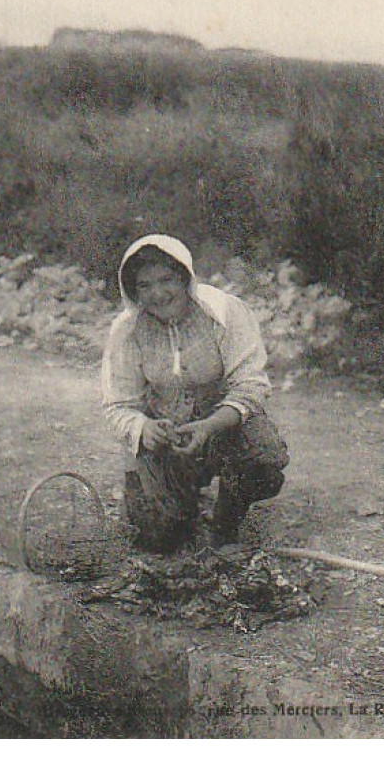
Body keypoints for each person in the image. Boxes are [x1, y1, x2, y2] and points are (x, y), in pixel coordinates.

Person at [102, 234, 288, 552]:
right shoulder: (127, 331)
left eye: (167, 279)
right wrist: (144, 428)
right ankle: (176, 501)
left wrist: (210, 426)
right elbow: (118, 404)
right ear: (133, 291)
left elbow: (251, 385)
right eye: (145, 286)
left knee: (263, 463)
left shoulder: (224, 312)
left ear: (186, 277)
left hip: (223, 427)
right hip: (167, 437)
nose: (158, 294)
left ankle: (226, 523)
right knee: (159, 537)